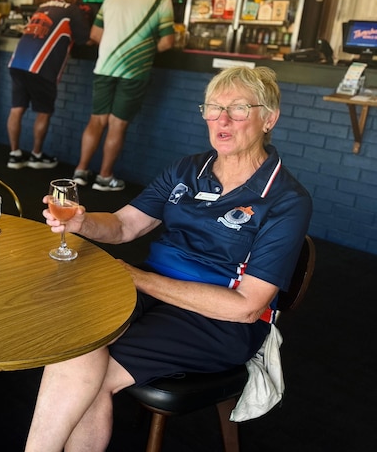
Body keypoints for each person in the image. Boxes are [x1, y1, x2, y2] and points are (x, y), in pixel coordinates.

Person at [24, 65, 312, 452]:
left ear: (269, 119)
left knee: (92, 377)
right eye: (214, 107)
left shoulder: (286, 200)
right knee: (76, 342)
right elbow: (125, 225)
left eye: (239, 108)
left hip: (218, 319)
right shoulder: (187, 169)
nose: (222, 119)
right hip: (151, 292)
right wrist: (82, 222)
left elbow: (246, 307)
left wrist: (138, 279)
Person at [73, 0, 175, 191]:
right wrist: (142, 50)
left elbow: (95, 34)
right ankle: (104, 177)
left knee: (96, 120)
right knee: (117, 125)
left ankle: (80, 172)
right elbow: (167, 42)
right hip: (134, 71)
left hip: (104, 67)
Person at [6, 0, 91, 170]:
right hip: (41, 67)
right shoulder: (72, 10)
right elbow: (85, 39)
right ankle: (36, 156)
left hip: (17, 62)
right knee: (43, 112)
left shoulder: (42, 6)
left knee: (16, 109)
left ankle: (14, 155)